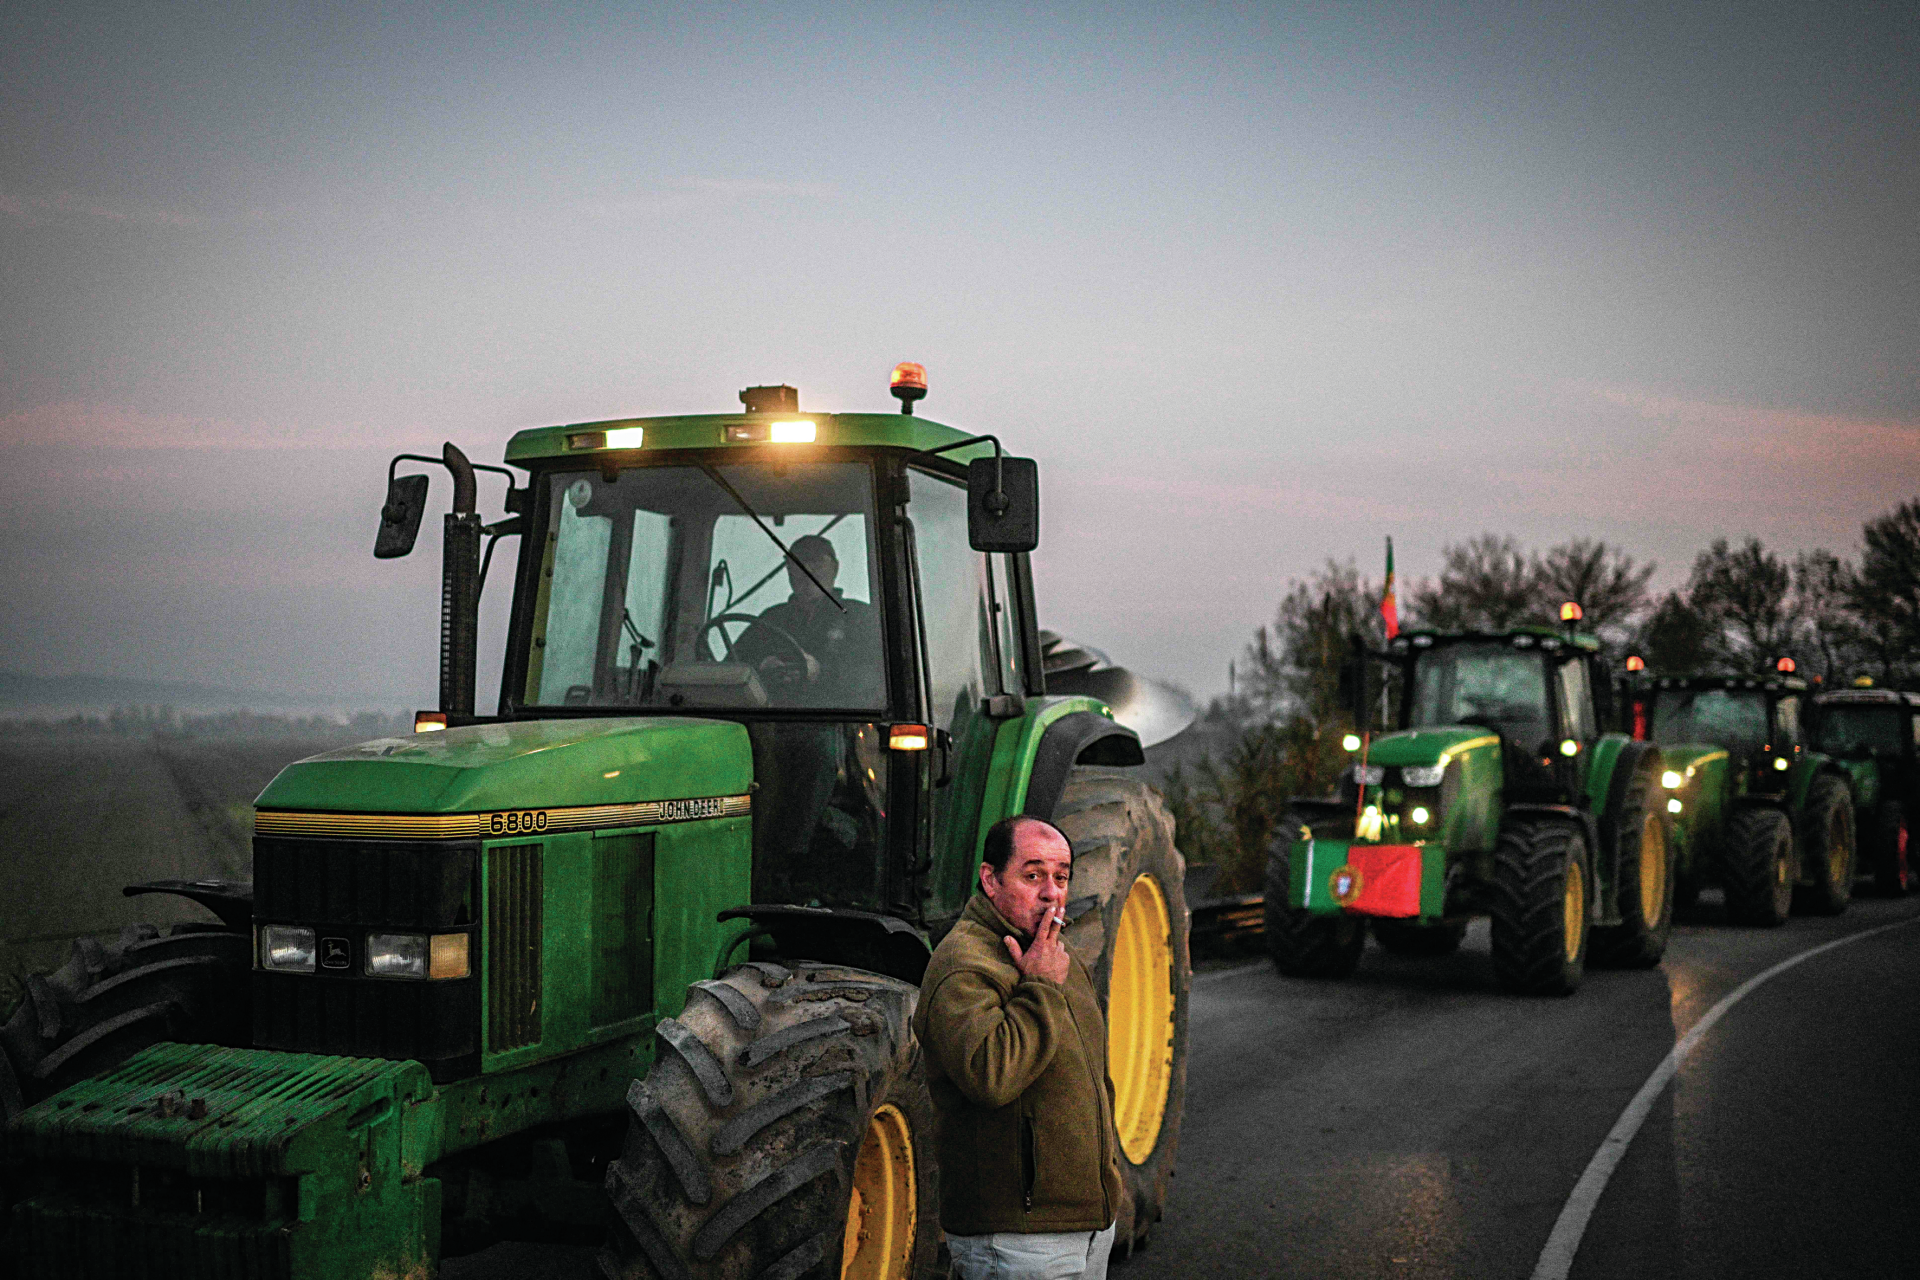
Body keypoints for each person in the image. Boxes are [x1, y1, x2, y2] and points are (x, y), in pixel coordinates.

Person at [913, 814, 1124, 1280]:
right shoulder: (964, 967)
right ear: (991, 880)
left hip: (1083, 1226)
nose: (1052, 892)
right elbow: (992, 1076)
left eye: (1061, 877)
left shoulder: (1050, 952)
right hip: (1016, 1238)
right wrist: (1042, 988)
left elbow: (1091, 1084)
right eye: (1033, 876)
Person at [729, 533, 881, 707]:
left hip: (840, 722)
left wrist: (820, 672)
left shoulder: (861, 617)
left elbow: (878, 678)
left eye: (817, 562)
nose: (807, 570)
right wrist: (761, 667)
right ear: (788, 569)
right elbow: (731, 668)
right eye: (798, 563)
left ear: (835, 568)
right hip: (773, 719)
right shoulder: (770, 620)